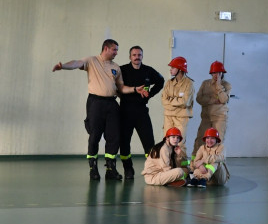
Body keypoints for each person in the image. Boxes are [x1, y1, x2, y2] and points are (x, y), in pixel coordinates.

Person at [53, 39, 139, 181]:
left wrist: (135, 89)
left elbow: (121, 88)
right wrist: (63, 66)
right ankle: (93, 168)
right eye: (114, 50)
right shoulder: (92, 61)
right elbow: (76, 63)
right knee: (95, 135)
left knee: (113, 137)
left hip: (112, 104)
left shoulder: (116, 67)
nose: (117, 53)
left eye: (117, 50)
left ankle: (110, 169)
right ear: (106, 48)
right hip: (95, 103)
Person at [117, 46, 164, 179]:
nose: (137, 57)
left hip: (141, 112)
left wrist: (149, 95)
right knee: (124, 142)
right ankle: (128, 169)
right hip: (125, 112)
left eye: (139, 55)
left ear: (142, 56)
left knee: (149, 142)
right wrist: (120, 95)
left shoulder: (148, 71)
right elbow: (115, 85)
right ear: (130, 57)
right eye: (134, 55)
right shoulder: (123, 70)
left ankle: (152, 169)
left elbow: (161, 81)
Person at [192, 61, 232, 153]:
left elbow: (223, 100)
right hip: (206, 117)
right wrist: (212, 100)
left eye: (218, 73)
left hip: (219, 117)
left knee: (218, 141)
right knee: (200, 140)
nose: (216, 75)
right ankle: (195, 162)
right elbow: (199, 98)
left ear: (222, 73)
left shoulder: (226, 85)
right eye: (214, 73)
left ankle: (215, 164)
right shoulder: (205, 83)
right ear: (211, 73)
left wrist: (218, 86)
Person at [160, 57, 195, 140]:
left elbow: (185, 101)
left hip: (181, 118)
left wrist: (170, 100)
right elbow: (164, 100)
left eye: (172, 67)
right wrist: (177, 101)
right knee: (167, 141)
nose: (170, 69)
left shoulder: (189, 83)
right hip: (168, 116)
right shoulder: (169, 83)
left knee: (179, 143)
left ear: (180, 69)